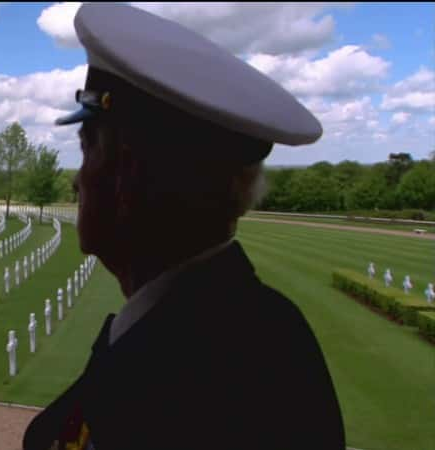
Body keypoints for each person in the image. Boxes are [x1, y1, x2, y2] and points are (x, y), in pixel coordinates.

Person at [23, 4, 345, 450]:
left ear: (126, 176)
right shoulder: (263, 329)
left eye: (87, 151)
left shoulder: (184, 373)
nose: (77, 181)